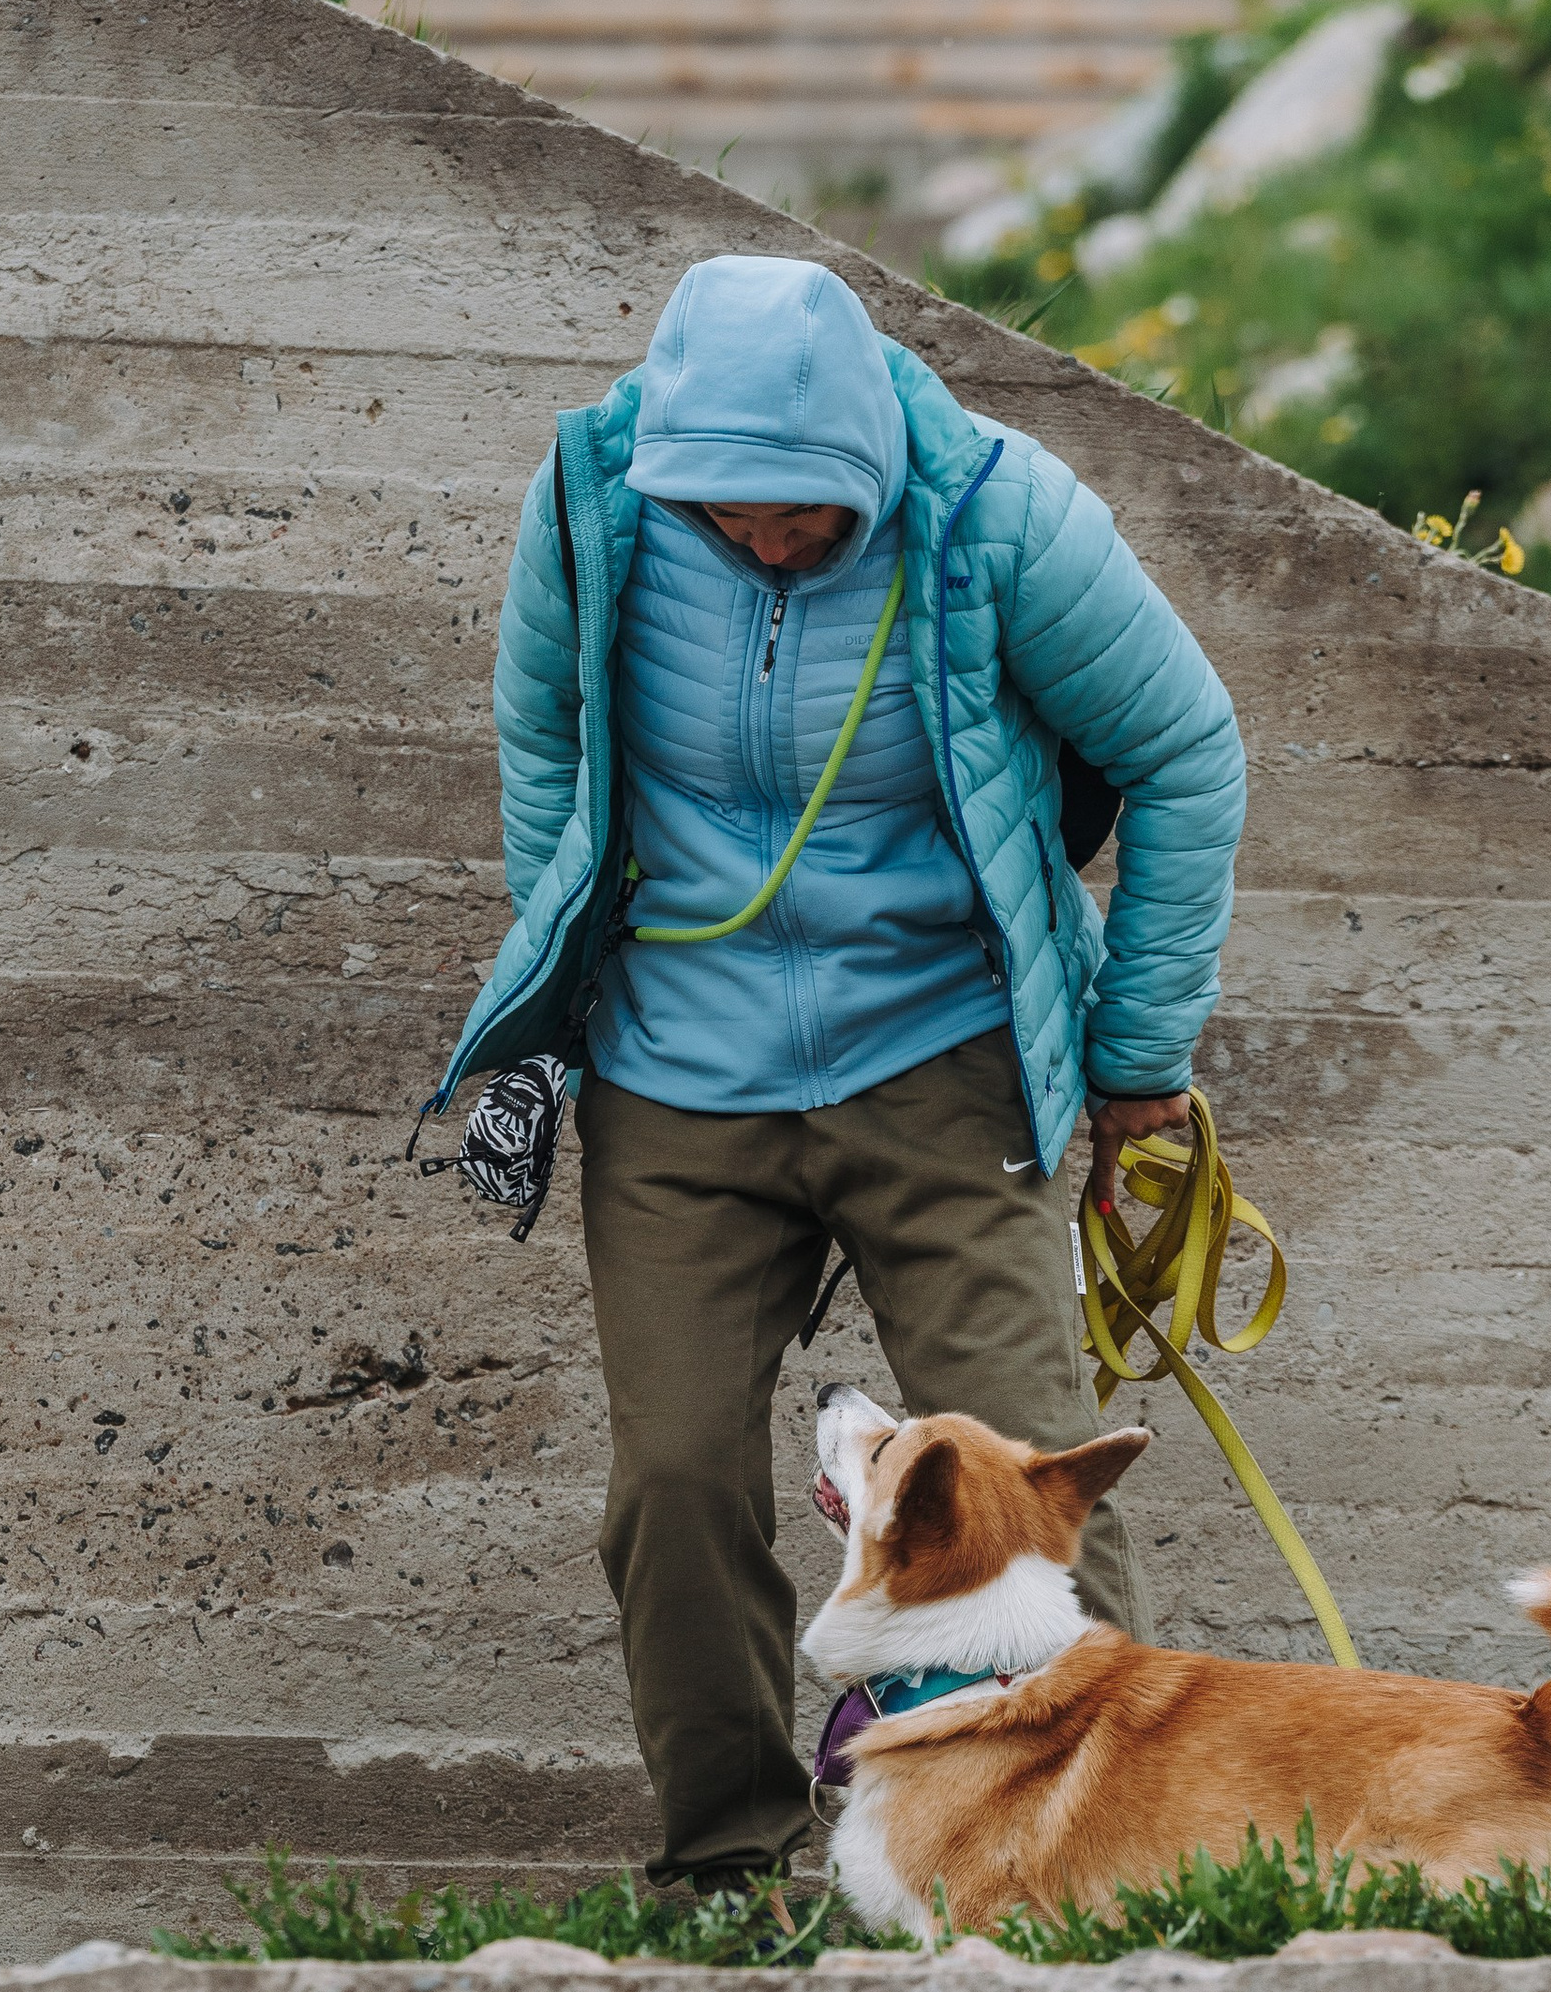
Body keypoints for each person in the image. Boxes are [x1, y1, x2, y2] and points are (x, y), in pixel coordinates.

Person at [430, 252, 1246, 1888]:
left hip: (938, 1059)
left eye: (806, 508)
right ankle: (727, 1870)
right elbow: (542, 743)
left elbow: (1186, 748)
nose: (769, 538)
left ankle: (1122, 1874)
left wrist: (1139, 1064)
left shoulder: (996, 512)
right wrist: (569, 971)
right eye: (727, 508)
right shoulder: (597, 503)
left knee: (1035, 1476)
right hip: (679, 1077)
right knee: (674, 1488)